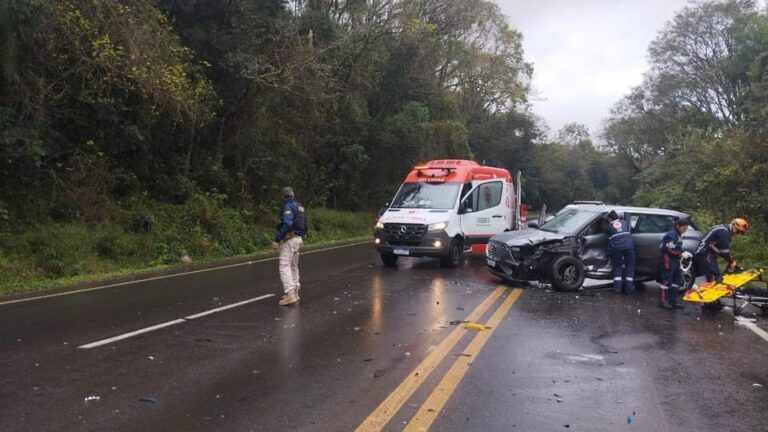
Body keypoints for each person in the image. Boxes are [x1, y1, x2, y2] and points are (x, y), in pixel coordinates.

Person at [272, 187, 307, 306]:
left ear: (283, 196)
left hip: (290, 239)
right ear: (293, 194)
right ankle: (295, 292)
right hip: (298, 239)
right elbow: (305, 225)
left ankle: (290, 293)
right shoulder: (300, 206)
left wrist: (277, 239)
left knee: (284, 266)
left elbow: (287, 223)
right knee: (293, 266)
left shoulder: (288, 206)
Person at [693, 218, 748, 284]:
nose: (737, 233)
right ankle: (710, 291)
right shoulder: (724, 232)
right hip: (705, 253)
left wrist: (731, 261)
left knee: (714, 276)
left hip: (707, 252)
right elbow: (724, 252)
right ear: (733, 225)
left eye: (739, 232)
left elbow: (721, 250)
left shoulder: (723, 229)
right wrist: (731, 261)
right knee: (715, 277)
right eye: (738, 231)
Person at [658, 218, 690, 310]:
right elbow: (669, 249)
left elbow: (677, 247)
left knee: (677, 280)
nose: (685, 230)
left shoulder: (679, 234)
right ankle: (663, 301)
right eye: (684, 228)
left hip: (675, 260)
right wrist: (680, 254)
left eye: (686, 228)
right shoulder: (671, 235)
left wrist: (684, 252)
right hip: (667, 260)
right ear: (678, 226)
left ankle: (673, 301)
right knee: (666, 280)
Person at [605, 210, 636, 293]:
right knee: (630, 266)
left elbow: (607, 237)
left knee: (617, 267)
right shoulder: (624, 222)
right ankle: (629, 289)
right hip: (629, 247)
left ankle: (617, 289)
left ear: (610, 219)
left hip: (617, 249)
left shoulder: (608, 227)